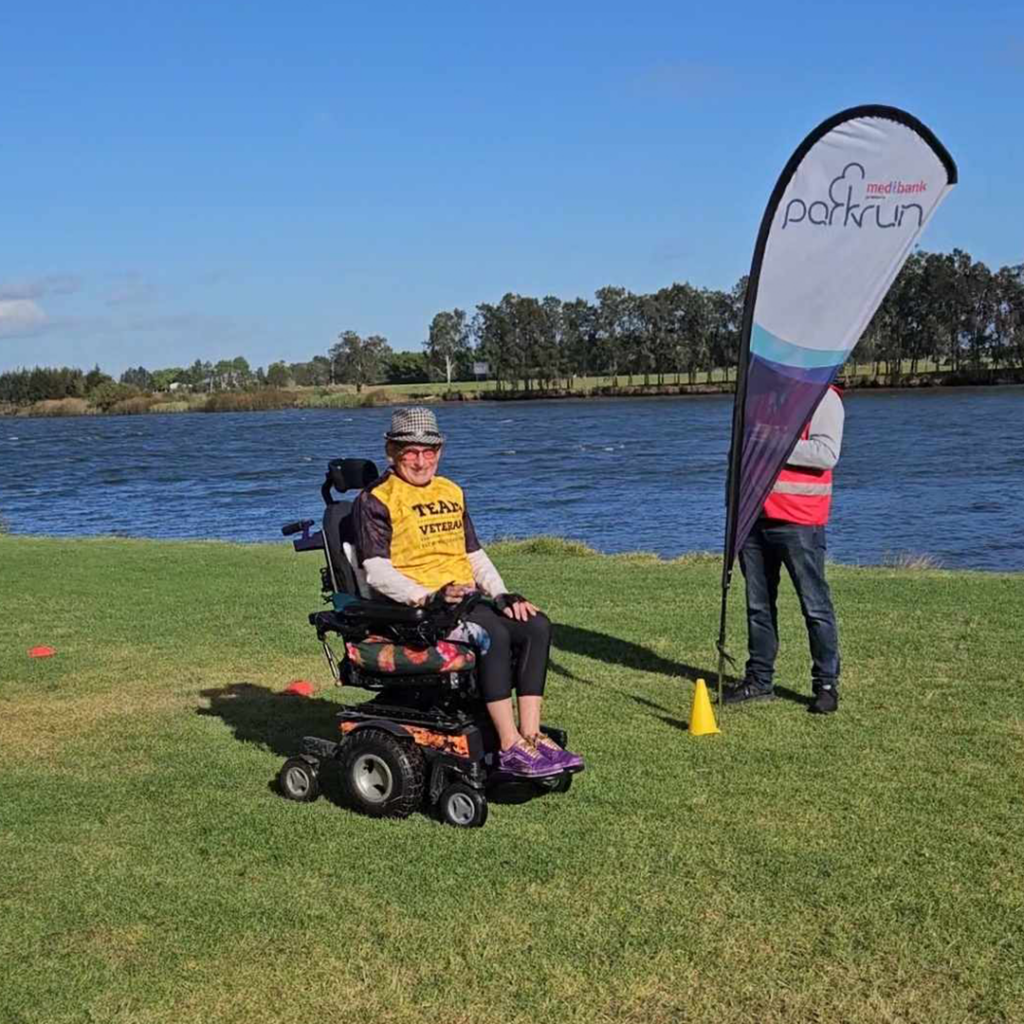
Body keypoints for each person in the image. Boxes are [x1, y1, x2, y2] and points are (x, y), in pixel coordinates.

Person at [353, 406, 584, 776]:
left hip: (466, 599)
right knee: (490, 633)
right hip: (423, 610)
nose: (421, 461)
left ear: (440, 452)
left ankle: (532, 735)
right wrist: (426, 596)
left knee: (536, 624)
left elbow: (472, 554)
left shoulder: (451, 491)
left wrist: (502, 594)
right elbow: (376, 572)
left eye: (429, 452)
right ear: (392, 451)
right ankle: (509, 746)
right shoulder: (375, 500)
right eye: (411, 452)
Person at [722, 384, 844, 714]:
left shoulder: (823, 398)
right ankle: (759, 681)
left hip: (800, 522)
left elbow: (827, 453)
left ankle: (826, 684)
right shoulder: (757, 396)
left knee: (815, 606)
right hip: (753, 519)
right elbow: (739, 455)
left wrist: (771, 444)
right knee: (758, 607)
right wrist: (732, 510)